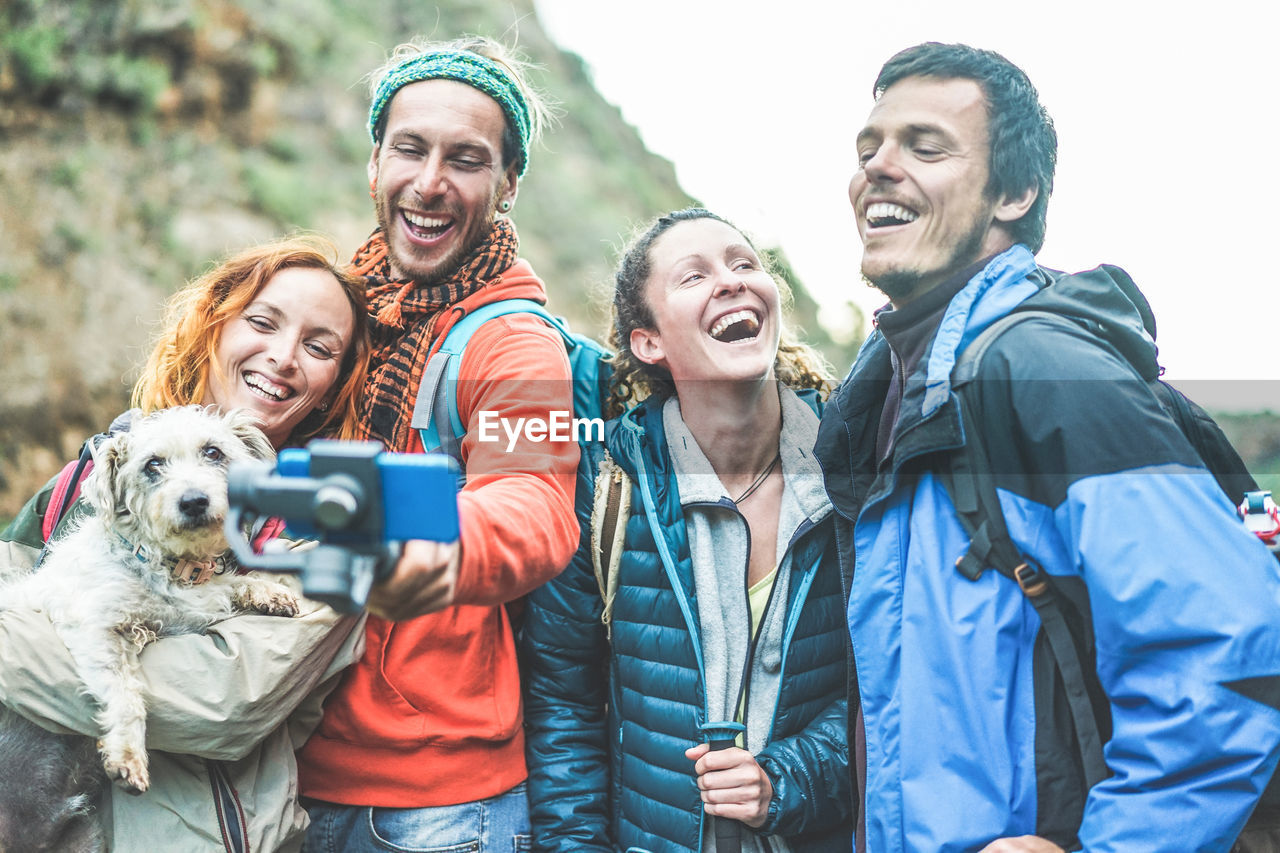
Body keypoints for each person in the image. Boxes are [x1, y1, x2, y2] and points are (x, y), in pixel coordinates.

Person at [813, 41, 1280, 852]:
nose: (877, 168)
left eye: (925, 147)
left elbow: (1229, 649)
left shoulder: (1040, 369)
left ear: (1015, 192)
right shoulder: (889, 394)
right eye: (868, 148)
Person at [295, 36, 580, 852]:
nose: (429, 183)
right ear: (374, 161)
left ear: (507, 183)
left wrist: (441, 546)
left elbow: (533, 500)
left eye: (466, 159)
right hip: (284, 763)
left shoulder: (514, 340)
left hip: (434, 807)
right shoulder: (343, 312)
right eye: (410, 149)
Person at [0, 234, 372, 852]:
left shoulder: (332, 528)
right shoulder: (88, 479)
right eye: (262, 323)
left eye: (317, 346)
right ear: (216, 328)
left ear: (337, 381)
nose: (282, 357)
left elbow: (217, 707)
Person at [522, 208, 853, 852]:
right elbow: (564, 701)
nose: (730, 281)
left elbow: (889, 685)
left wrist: (783, 781)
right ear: (649, 342)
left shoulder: (854, 469)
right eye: (693, 276)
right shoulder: (606, 483)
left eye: (744, 264)